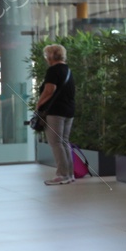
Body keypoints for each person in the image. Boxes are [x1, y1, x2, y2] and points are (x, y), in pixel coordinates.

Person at [36, 43, 77, 185]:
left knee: (56, 143)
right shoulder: (67, 70)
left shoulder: (53, 70)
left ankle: (62, 174)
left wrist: (39, 103)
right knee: (64, 142)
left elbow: (49, 90)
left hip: (56, 111)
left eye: (47, 55)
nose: (46, 58)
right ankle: (69, 174)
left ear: (51, 56)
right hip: (69, 110)